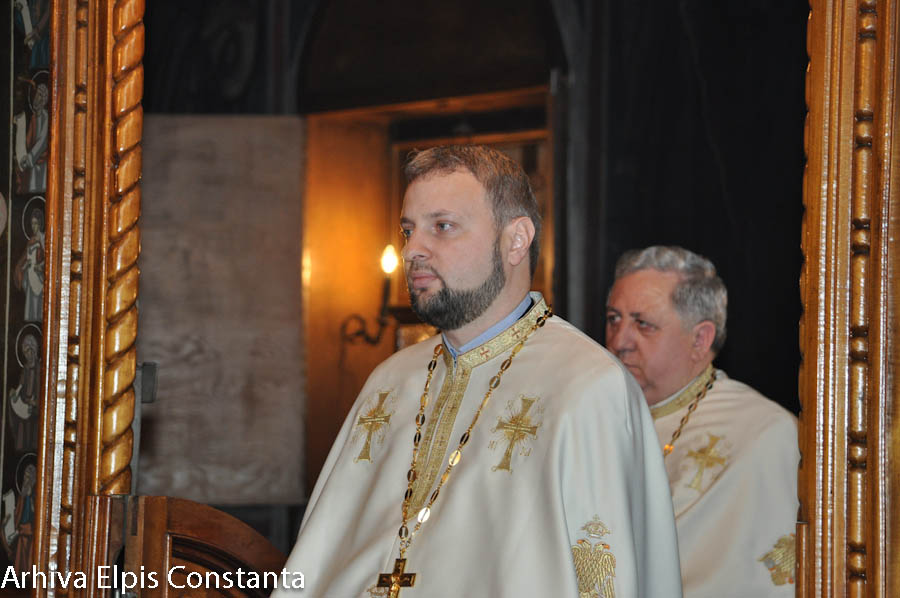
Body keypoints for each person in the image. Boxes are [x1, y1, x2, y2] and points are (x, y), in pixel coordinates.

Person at [276, 146, 681, 598]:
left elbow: (604, 573)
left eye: (442, 226)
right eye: (408, 230)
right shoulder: (389, 381)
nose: (412, 250)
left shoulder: (586, 387)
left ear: (516, 240)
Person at [605, 245, 799, 598]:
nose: (619, 342)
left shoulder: (761, 432)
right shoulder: (590, 415)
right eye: (613, 319)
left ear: (700, 339)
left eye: (643, 324)